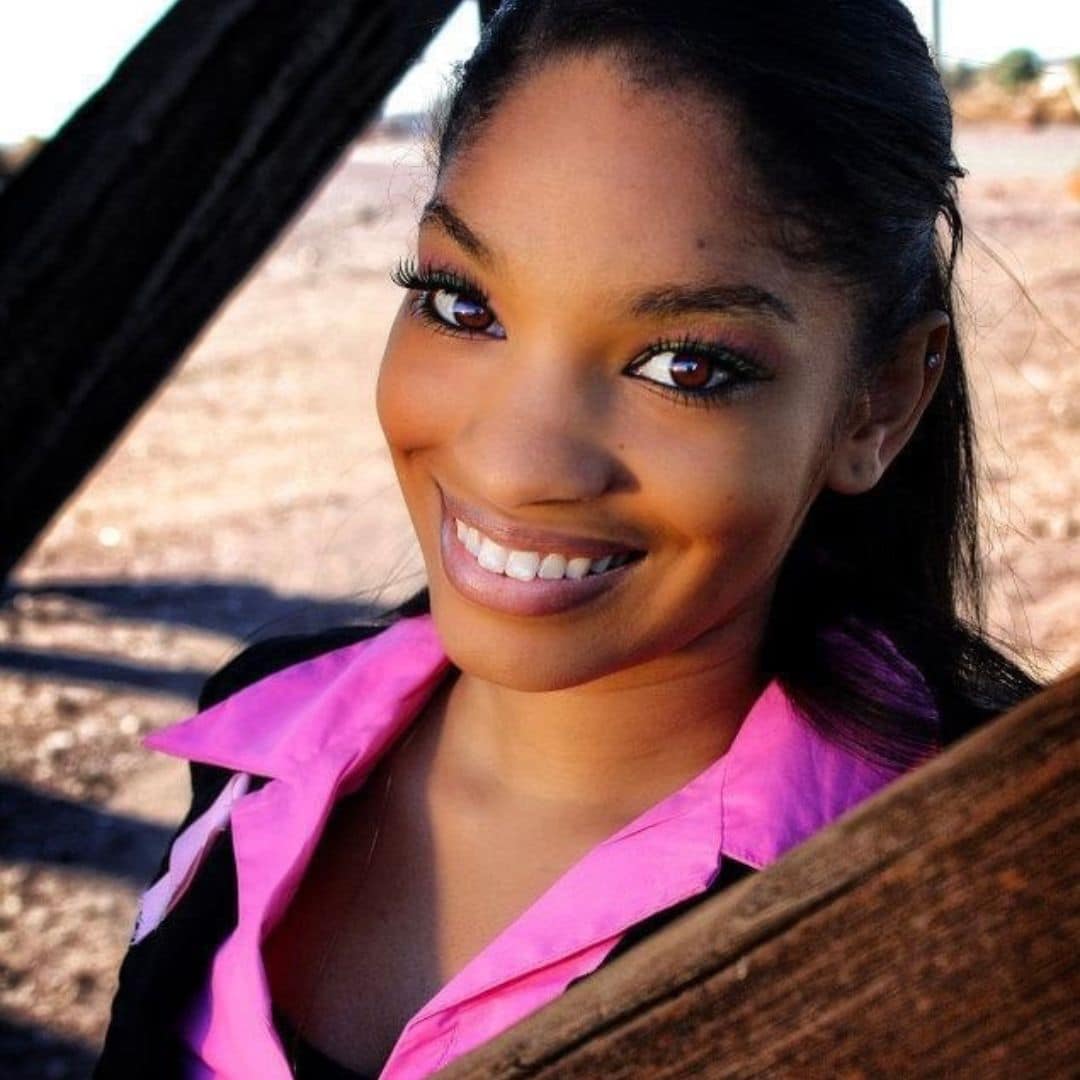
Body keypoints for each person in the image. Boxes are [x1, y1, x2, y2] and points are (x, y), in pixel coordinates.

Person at [95, 1, 1041, 1076]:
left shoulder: (977, 896)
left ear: (876, 406)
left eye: (685, 365)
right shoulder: (254, 743)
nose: (511, 466)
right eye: (462, 304)